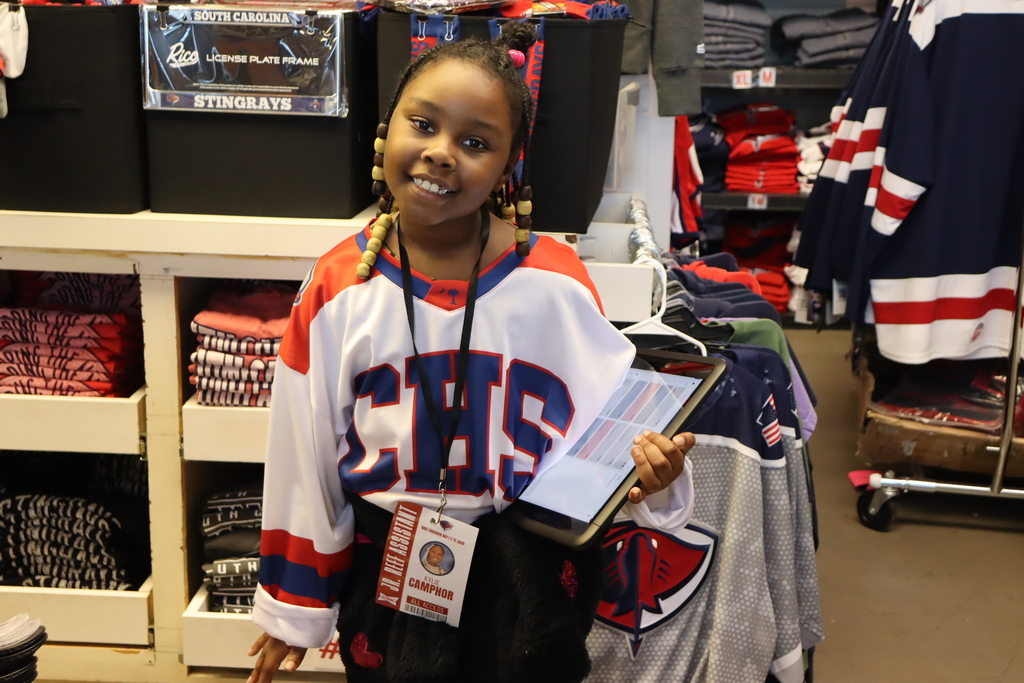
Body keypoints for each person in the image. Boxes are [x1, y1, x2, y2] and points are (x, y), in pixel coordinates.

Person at [247, 22, 696, 683]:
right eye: (423, 125)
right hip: (387, 561)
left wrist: (656, 476)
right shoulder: (339, 286)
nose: (440, 153)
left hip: (527, 567)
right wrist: (294, 604)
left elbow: (613, 434)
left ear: (509, 166)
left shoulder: (555, 282)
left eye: (476, 142)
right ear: (386, 132)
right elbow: (301, 453)